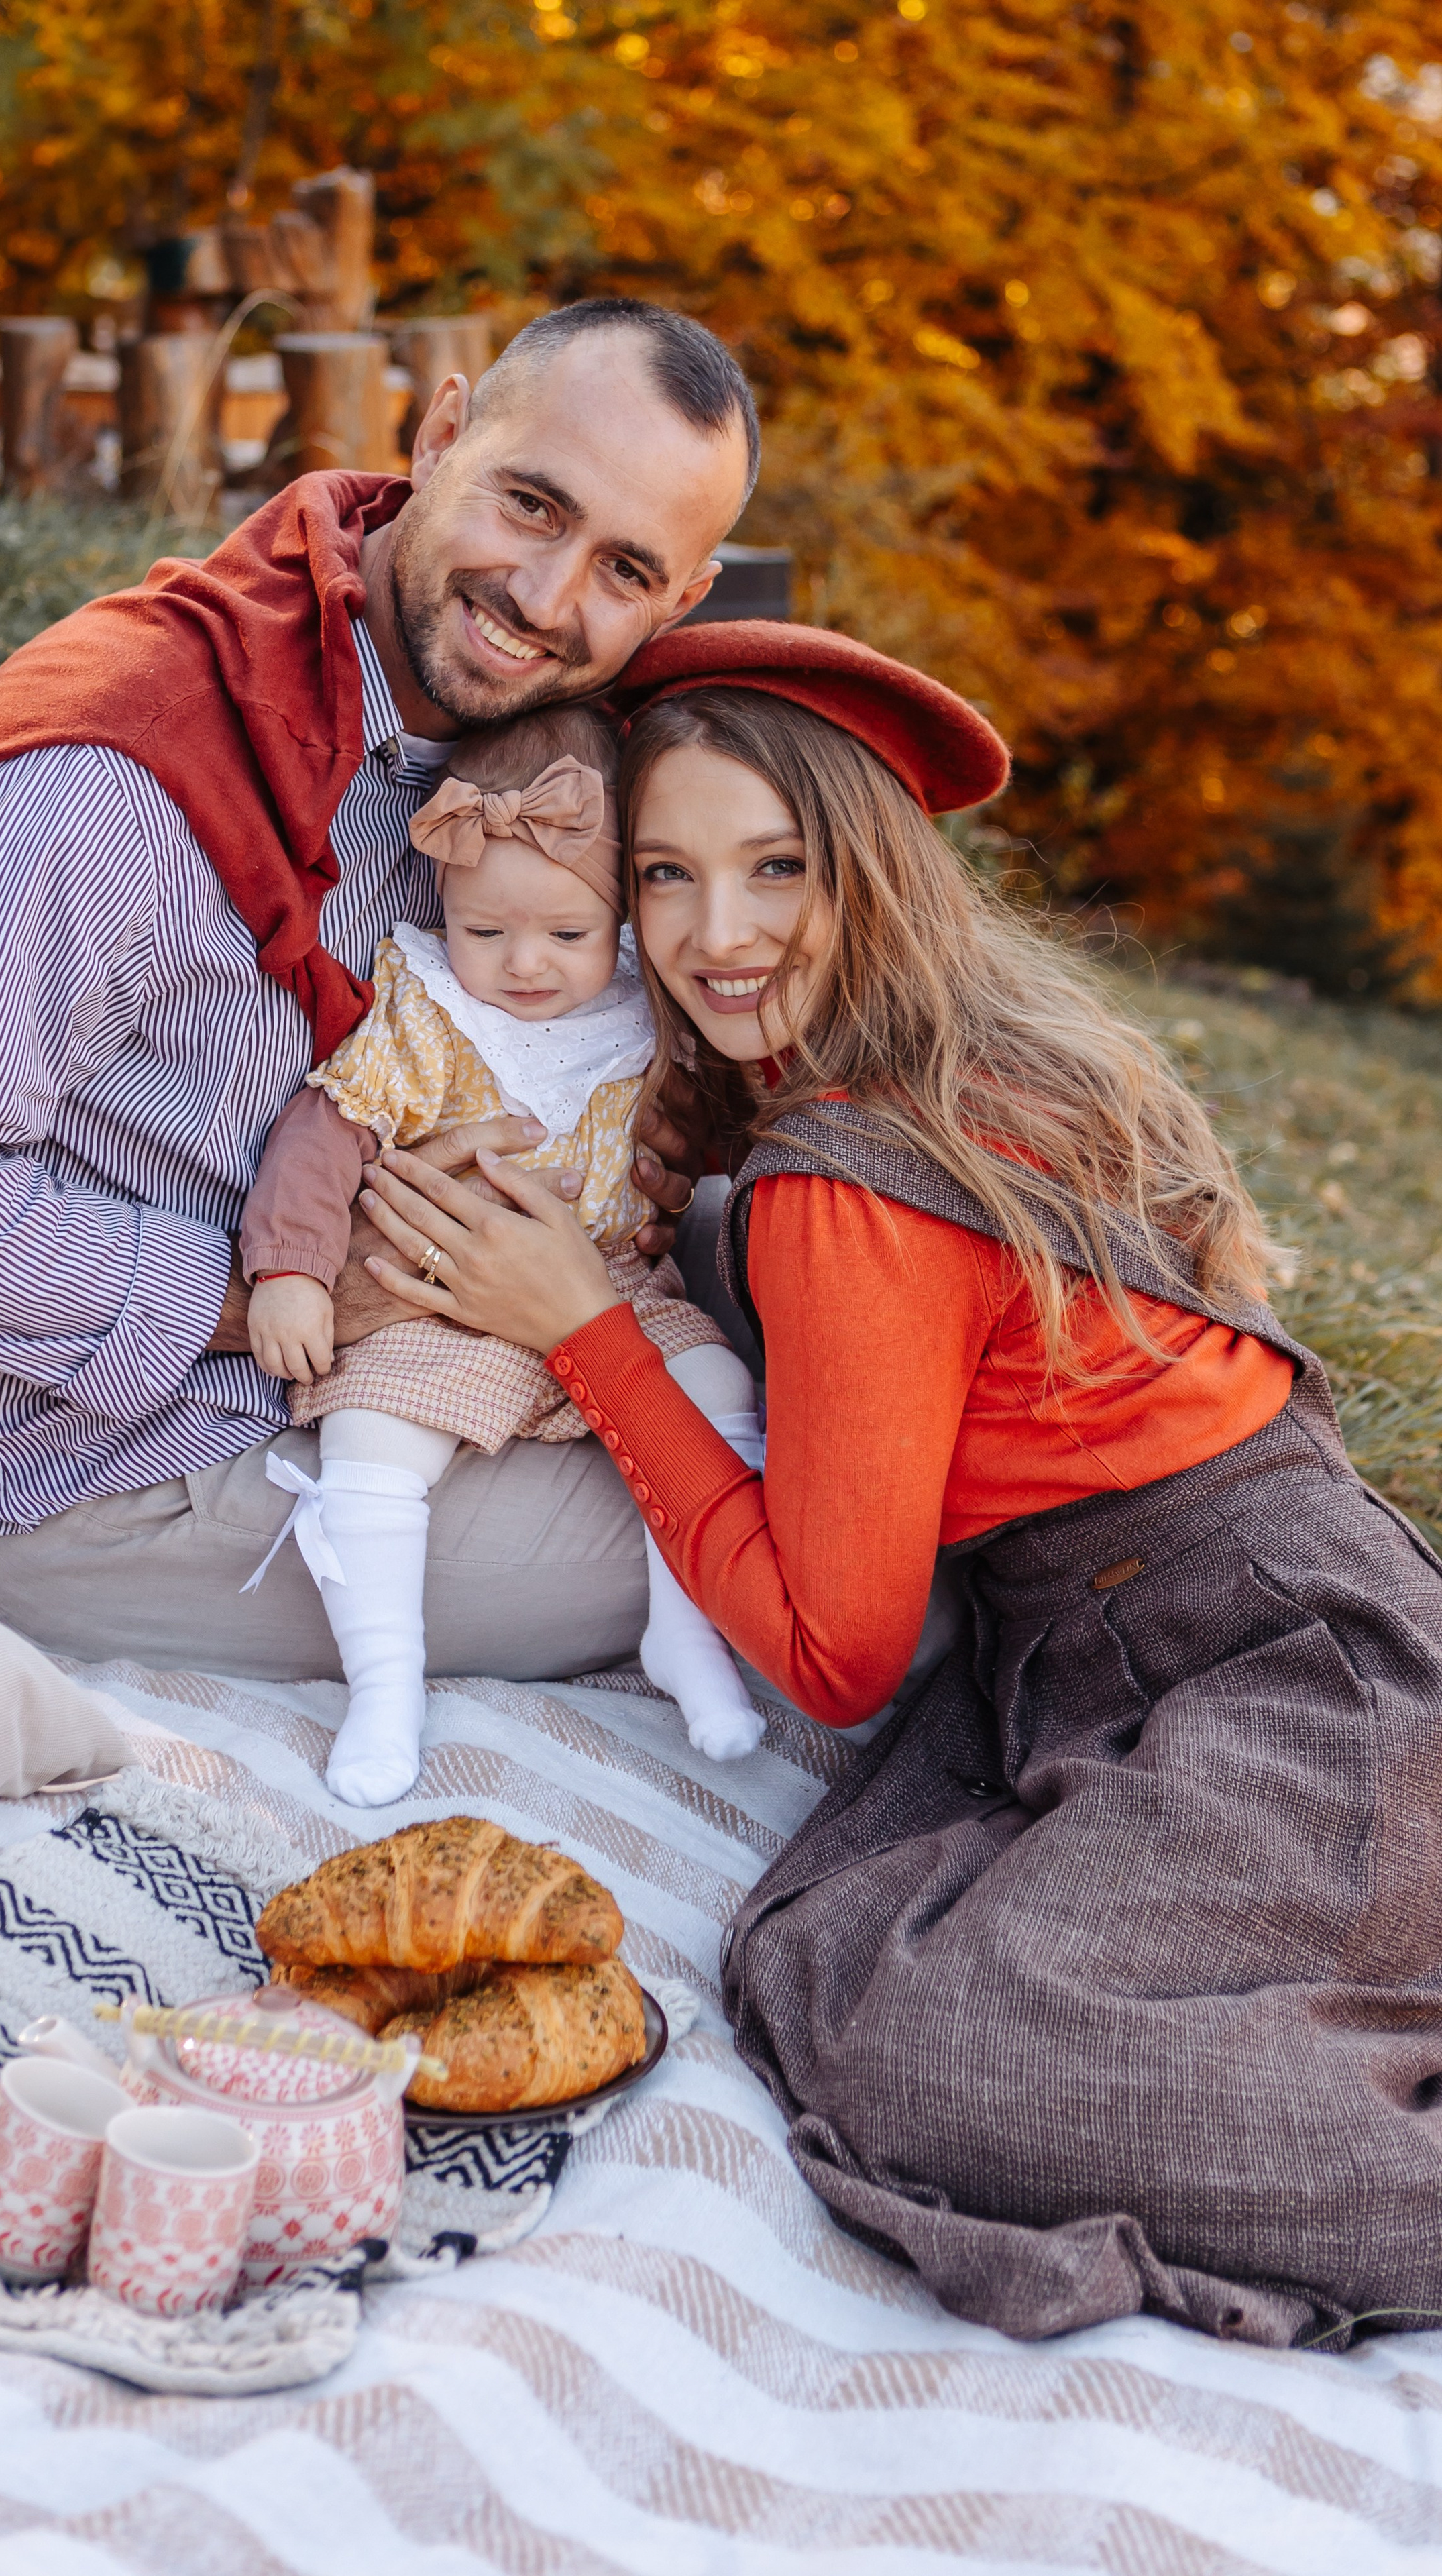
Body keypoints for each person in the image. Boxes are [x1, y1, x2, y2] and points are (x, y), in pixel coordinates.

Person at [350, 616, 1442, 2350]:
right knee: (844, 1952)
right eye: (666, 875)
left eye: (777, 864)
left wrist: (582, 1329)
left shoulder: (845, 1185)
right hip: (1260, 1619)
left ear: (866, 862)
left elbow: (835, 1656)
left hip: (1271, 1684)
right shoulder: (965, 1046)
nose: (718, 935)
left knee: (920, 2048)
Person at [0, 300, 756, 1686]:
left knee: (812, 1286)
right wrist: (280, 1290)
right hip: (136, 1460)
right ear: (443, 430)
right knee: (794, 1543)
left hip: (450, 1337)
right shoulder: (113, 777)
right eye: (531, 503)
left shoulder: (542, 756)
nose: (545, 596)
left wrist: (638, 1139)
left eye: (623, 569)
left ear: (681, 599)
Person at [240, 699, 761, 1805]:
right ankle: (387, 1682)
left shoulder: (643, 1005)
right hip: (443, 1304)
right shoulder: (433, 1014)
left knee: (718, 1389)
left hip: (611, 1287)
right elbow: (325, 1135)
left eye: (565, 936)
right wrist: (287, 1269)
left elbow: (708, 1118)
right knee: (371, 1444)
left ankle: (689, 1634)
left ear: (618, 917)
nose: (525, 966)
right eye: (488, 933)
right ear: (447, 908)